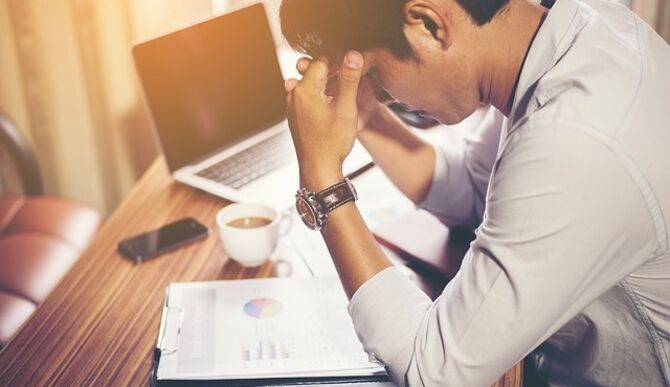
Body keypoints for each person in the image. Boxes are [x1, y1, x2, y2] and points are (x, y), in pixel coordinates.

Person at [280, 0, 670, 385]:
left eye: (376, 74)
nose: (381, 93)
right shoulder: (567, 30)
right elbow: (470, 188)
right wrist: (365, 114)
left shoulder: (576, 139)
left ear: (429, 24)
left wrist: (321, 179)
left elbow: (434, 370)